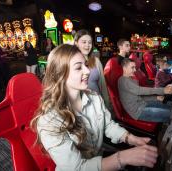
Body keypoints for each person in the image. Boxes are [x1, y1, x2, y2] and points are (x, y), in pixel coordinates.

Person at [30, 44, 158, 171]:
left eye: (85, 65)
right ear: (60, 74)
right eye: (78, 67)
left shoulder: (94, 97)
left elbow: (107, 125)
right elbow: (77, 168)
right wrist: (122, 157)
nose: (87, 71)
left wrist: (130, 138)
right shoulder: (49, 121)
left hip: (99, 159)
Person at [118, 58, 172, 123]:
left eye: (135, 67)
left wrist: (156, 98)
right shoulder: (123, 80)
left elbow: (139, 96)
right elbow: (140, 90)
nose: (134, 70)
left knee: (170, 107)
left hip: (143, 103)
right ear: (124, 68)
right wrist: (163, 90)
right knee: (171, 114)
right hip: (137, 111)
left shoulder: (130, 79)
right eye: (132, 67)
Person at [74, 29, 110, 107]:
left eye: (89, 42)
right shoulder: (71, 63)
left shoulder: (96, 61)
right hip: (81, 107)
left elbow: (102, 85)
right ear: (76, 43)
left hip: (98, 104)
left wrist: (107, 104)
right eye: (84, 42)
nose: (87, 45)